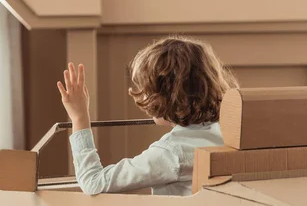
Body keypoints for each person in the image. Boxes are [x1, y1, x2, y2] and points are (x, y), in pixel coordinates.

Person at [57, 35, 239, 196]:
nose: (143, 94)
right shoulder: (231, 132)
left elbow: (93, 182)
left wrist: (79, 118)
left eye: (147, 88)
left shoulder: (172, 153)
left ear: (165, 94)